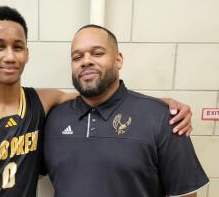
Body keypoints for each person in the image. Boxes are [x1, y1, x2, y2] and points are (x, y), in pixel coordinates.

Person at [0, 6, 193, 196]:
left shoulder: (42, 101)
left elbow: (97, 93)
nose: (9, 56)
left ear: (27, 53)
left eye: (17, 47)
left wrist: (159, 106)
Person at [43, 24, 209, 197]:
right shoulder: (54, 119)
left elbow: (185, 195)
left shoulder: (163, 118)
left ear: (118, 60)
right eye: (77, 57)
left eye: (97, 53)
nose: (86, 61)